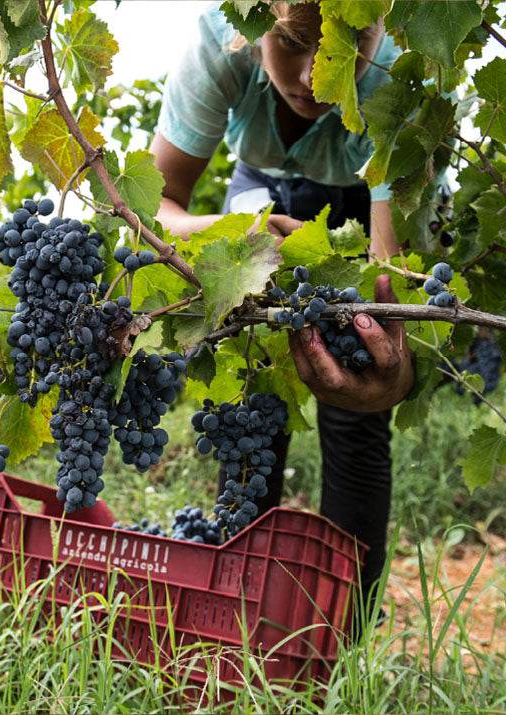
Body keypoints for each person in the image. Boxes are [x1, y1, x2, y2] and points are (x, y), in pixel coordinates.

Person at [153, 2, 415, 617]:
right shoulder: (219, 45)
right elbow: (157, 206)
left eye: (350, 45)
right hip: (259, 192)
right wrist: (227, 230)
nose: (314, 77)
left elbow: (389, 276)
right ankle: (236, 617)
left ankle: (343, 639)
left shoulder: (399, 77)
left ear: (382, 25)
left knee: (355, 408)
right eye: (296, 42)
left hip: (363, 206)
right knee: (253, 398)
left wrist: (390, 376)